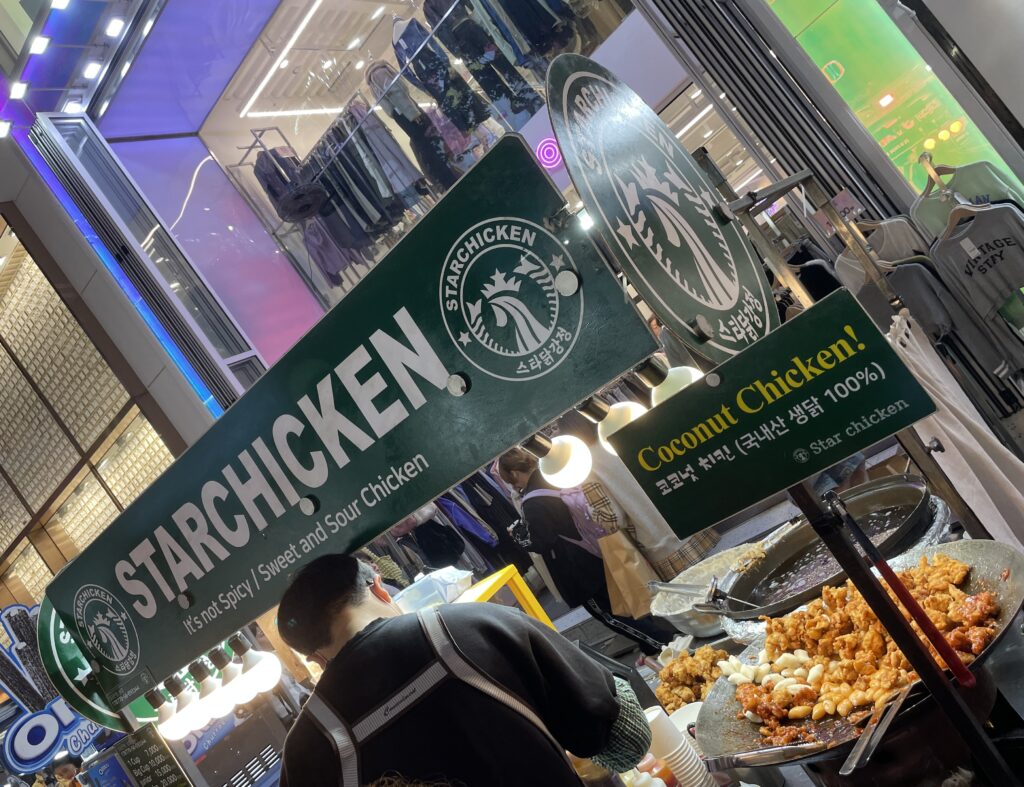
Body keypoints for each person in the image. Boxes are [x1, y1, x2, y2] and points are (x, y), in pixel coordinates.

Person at [277, 554, 650, 786]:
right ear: (379, 589)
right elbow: (628, 742)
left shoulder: (303, 752)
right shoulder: (477, 624)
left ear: (316, 658)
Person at [498, 448, 669, 653]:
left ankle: (662, 643)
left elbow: (540, 542)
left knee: (609, 615)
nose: (514, 487)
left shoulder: (533, 502)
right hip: (598, 550)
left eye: (511, 481)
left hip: (577, 569)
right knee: (626, 603)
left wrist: (518, 535)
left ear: (515, 473)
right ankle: (652, 645)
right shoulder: (555, 476)